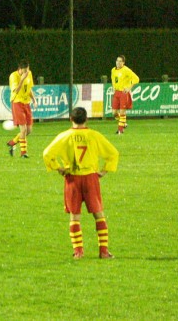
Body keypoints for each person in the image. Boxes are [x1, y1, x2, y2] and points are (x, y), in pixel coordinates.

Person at [42, 107, 119, 260]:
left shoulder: (65, 136)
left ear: (71, 119)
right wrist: (104, 171)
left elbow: (47, 154)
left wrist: (58, 168)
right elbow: (113, 153)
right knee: (99, 215)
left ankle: (78, 252)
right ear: (86, 119)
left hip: (73, 179)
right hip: (91, 178)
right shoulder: (94, 135)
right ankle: (103, 251)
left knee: (74, 216)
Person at [6, 60, 37, 158]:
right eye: (24, 71)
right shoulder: (13, 76)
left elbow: (29, 89)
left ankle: (12, 142)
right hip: (17, 103)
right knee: (23, 130)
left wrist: (34, 100)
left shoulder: (29, 73)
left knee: (29, 131)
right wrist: (22, 80)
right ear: (19, 69)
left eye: (27, 70)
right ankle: (23, 153)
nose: (26, 72)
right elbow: (16, 90)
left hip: (26, 103)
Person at [111, 55, 139, 135]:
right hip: (116, 92)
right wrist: (113, 88)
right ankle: (123, 123)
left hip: (124, 93)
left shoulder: (126, 70)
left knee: (122, 112)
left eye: (120, 61)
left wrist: (129, 88)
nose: (118, 62)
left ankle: (120, 130)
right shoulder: (113, 70)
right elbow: (113, 79)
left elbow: (136, 79)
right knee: (114, 112)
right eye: (117, 60)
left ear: (123, 62)